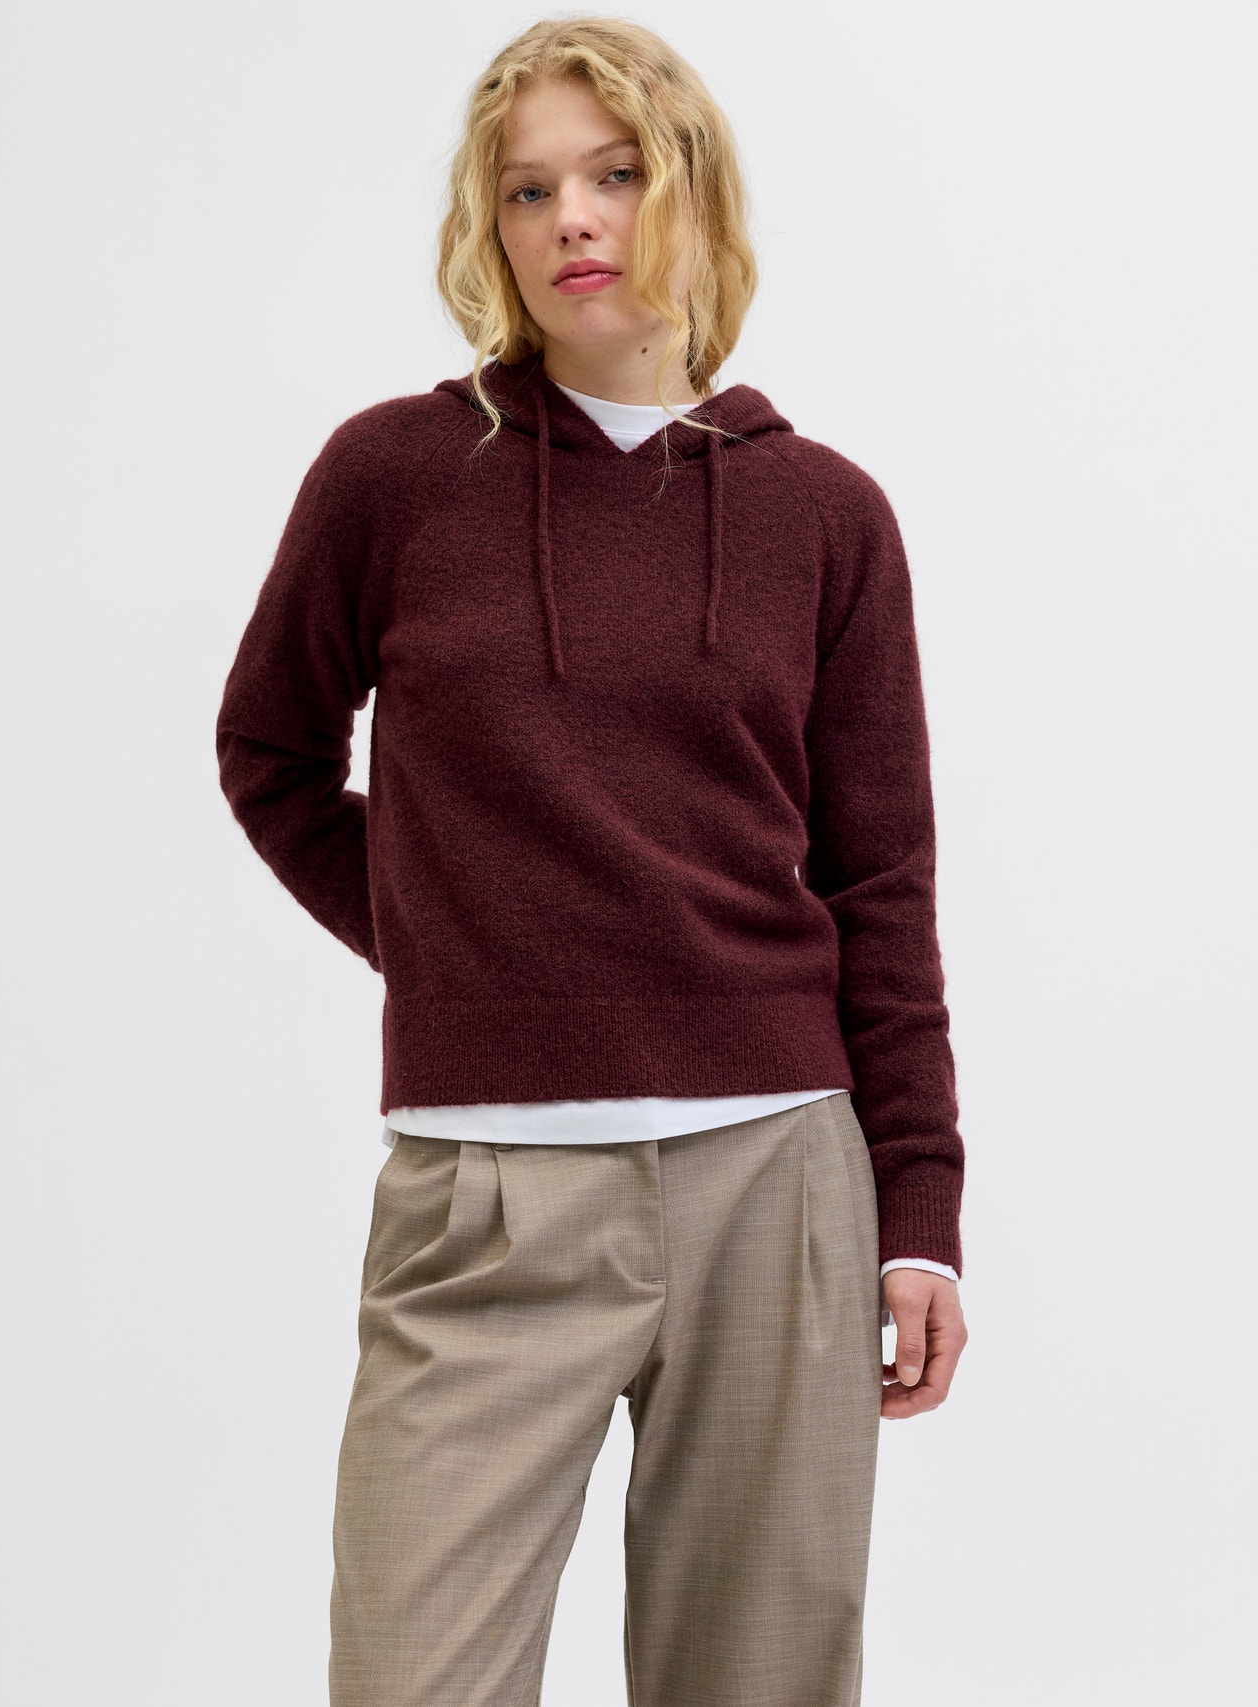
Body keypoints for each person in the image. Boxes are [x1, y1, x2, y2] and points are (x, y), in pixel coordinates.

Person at [215, 16, 969, 1706]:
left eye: (616, 173)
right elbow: (270, 756)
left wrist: (921, 1211)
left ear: (691, 189)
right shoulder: (397, 478)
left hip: (778, 1178)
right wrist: (454, 946)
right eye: (528, 188)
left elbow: (881, 884)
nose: (572, 216)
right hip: (485, 1196)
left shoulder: (826, 515)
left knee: (757, 1682)